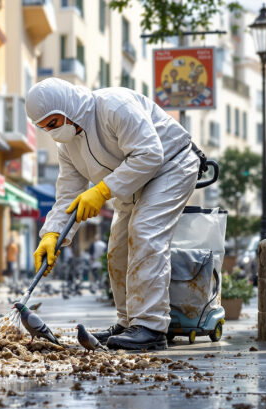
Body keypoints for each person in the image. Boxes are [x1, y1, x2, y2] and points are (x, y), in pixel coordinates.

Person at [27, 78, 205, 351]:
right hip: (131, 186)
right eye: (44, 128)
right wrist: (51, 234)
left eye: (53, 123)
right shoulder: (67, 147)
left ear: (68, 107)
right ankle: (129, 324)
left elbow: (149, 154)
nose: (52, 132)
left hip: (172, 165)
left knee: (145, 232)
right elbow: (67, 195)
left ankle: (151, 327)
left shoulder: (113, 105)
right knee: (117, 249)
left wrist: (101, 191)